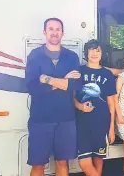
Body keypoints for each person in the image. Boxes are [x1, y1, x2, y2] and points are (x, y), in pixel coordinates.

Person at [25, 17, 82, 176]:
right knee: (38, 165)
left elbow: (75, 85)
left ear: (62, 33)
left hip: (66, 118)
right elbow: (32, 87)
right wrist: (63, 81)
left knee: (62, 163)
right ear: (45, 32)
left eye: (58, 29)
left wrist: (47, 79)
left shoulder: (71, 57)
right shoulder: (35, 55)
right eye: (51, 29)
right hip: (40, 119)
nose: (54, 33)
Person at [74, 39, 117, 176]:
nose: (94, 53)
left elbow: (111, 104)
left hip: (102, 123)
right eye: (91, 50)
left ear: (102, 53)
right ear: (86, 52)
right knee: (84, 162)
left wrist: (111, 128)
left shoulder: (108, 74)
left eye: (98, 50)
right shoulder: (79, 72)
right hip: (82, 124)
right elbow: (71, 97)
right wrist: (80, 106)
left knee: (98, 158)